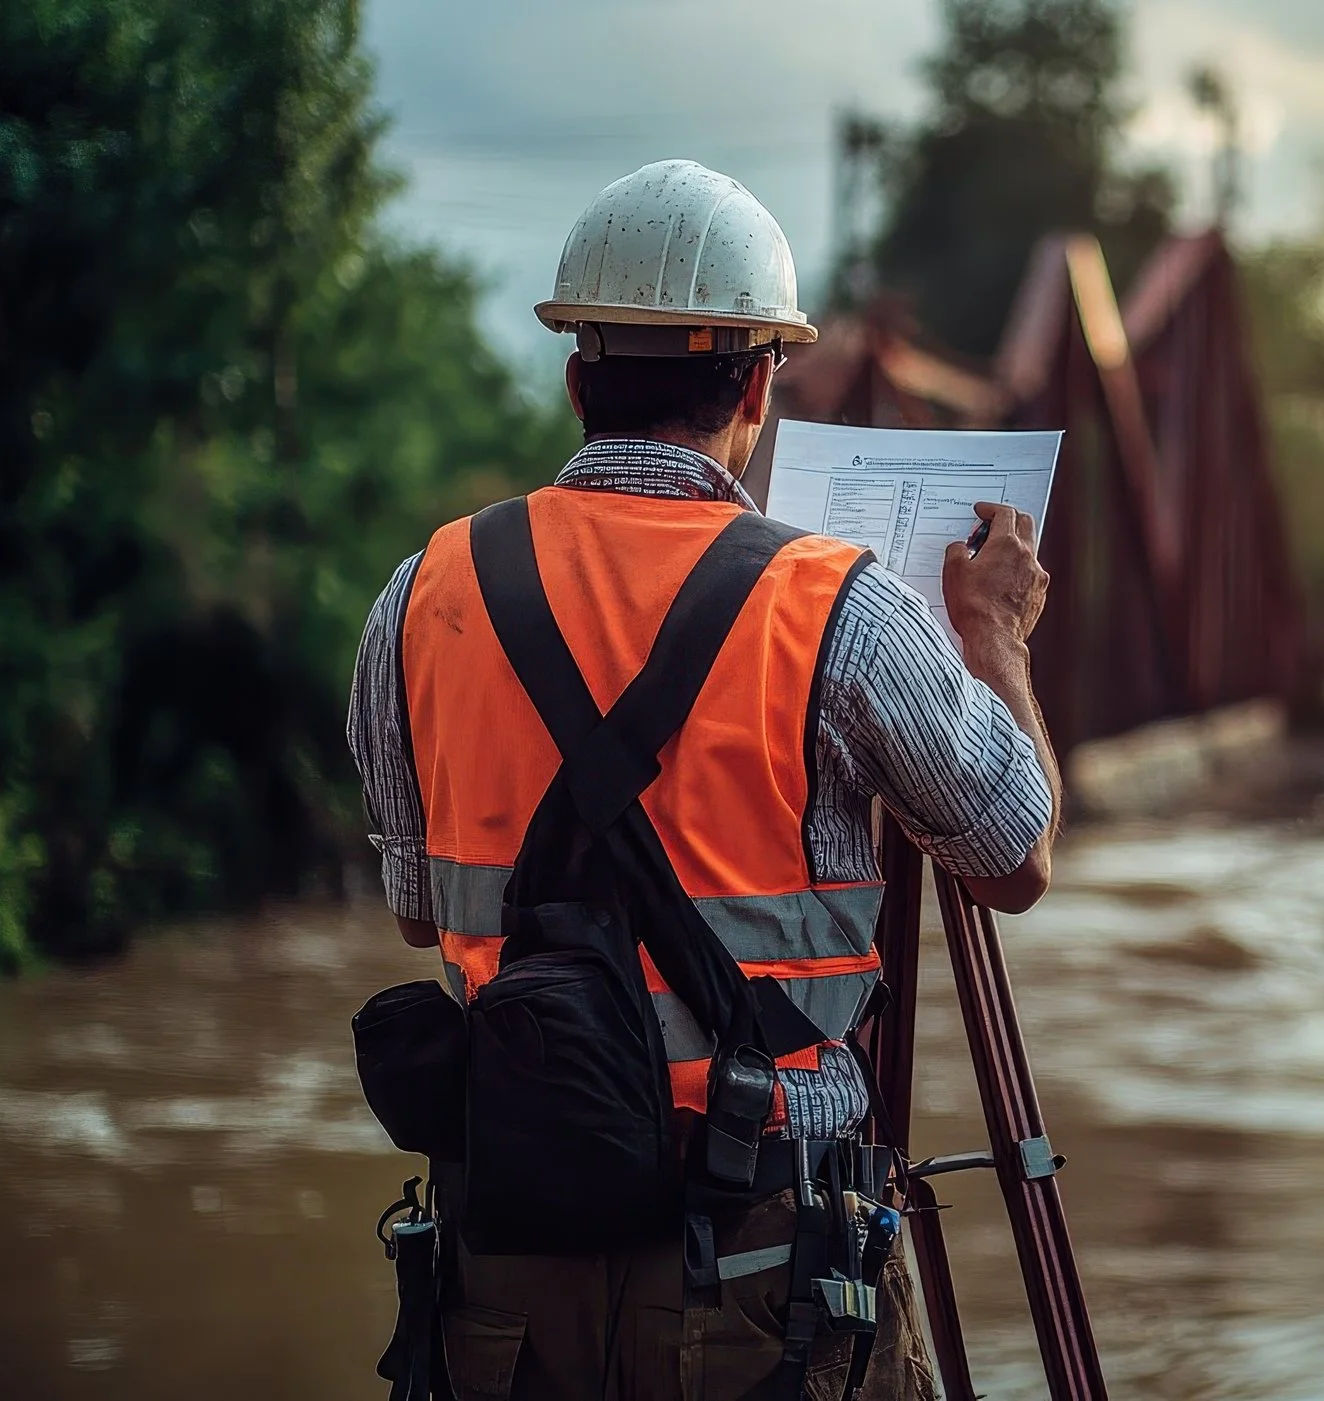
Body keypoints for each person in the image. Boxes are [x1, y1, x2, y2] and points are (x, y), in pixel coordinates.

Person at [345, 159, 1058, 1401]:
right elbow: (1013, 859)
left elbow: (423, 912)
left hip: (512, 1260)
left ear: (577, 377)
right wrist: (993, 640)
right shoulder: (835, 604)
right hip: (764, 1266)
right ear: (762, 383)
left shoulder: (421, 597)